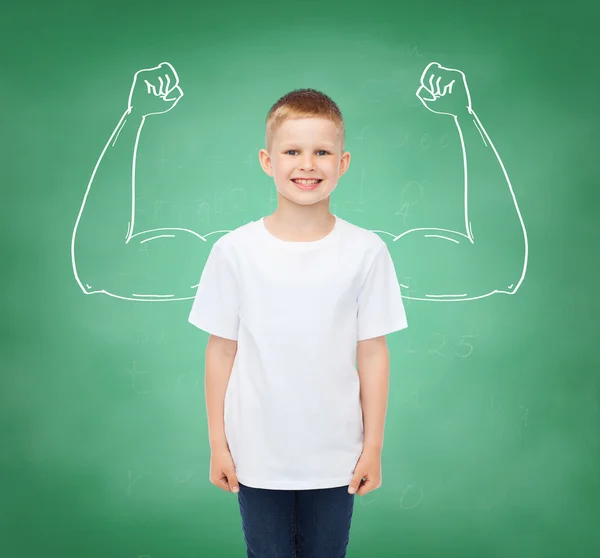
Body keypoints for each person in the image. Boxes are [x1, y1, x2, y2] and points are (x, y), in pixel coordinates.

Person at [188, 88, 408, 557]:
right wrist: (218, 444)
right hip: (256, 455)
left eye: (322, 152)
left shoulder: (366, 252)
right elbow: (220, 350)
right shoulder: (234, 252)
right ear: (267, 160)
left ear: (343, 162)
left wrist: (373, 447)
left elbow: (373, 354)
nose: (307, 164)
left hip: (336, 456)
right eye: (293, 151)